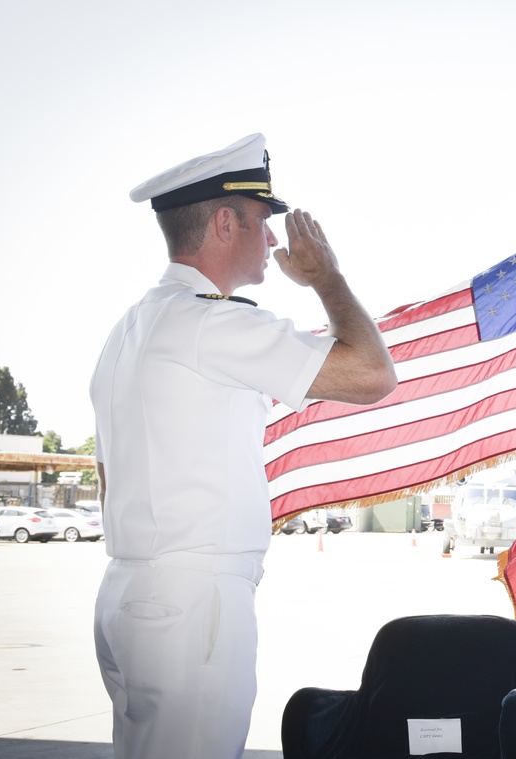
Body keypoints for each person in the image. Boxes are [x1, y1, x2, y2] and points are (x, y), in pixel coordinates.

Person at [90, 133, 396, 759]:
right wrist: (327, 279)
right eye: (262, 221)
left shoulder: (129, 328)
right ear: (225, 222)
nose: (275, 240)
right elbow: (372, 373)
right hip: (193, 602)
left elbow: (103, 472)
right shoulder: (210, 322)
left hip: (131, 592)